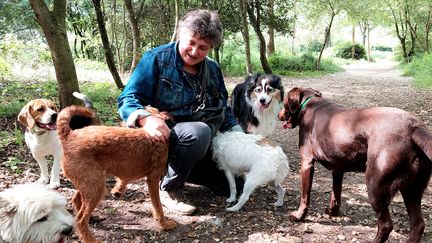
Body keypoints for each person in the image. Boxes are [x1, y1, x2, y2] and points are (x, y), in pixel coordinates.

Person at [117, 9, 243, 215]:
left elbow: (221, 106)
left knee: (235, 184)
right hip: (165, 137)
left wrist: (240, 134)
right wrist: (146, 119)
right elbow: (127, 99)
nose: (194, 52)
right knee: (198, 132)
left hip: (199, 143)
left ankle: (185, 169)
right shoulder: (156, 58)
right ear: (180, 36)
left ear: (210, 47)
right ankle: (167, 187)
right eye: (191, 43)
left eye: (203, 48)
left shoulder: (213, 69)